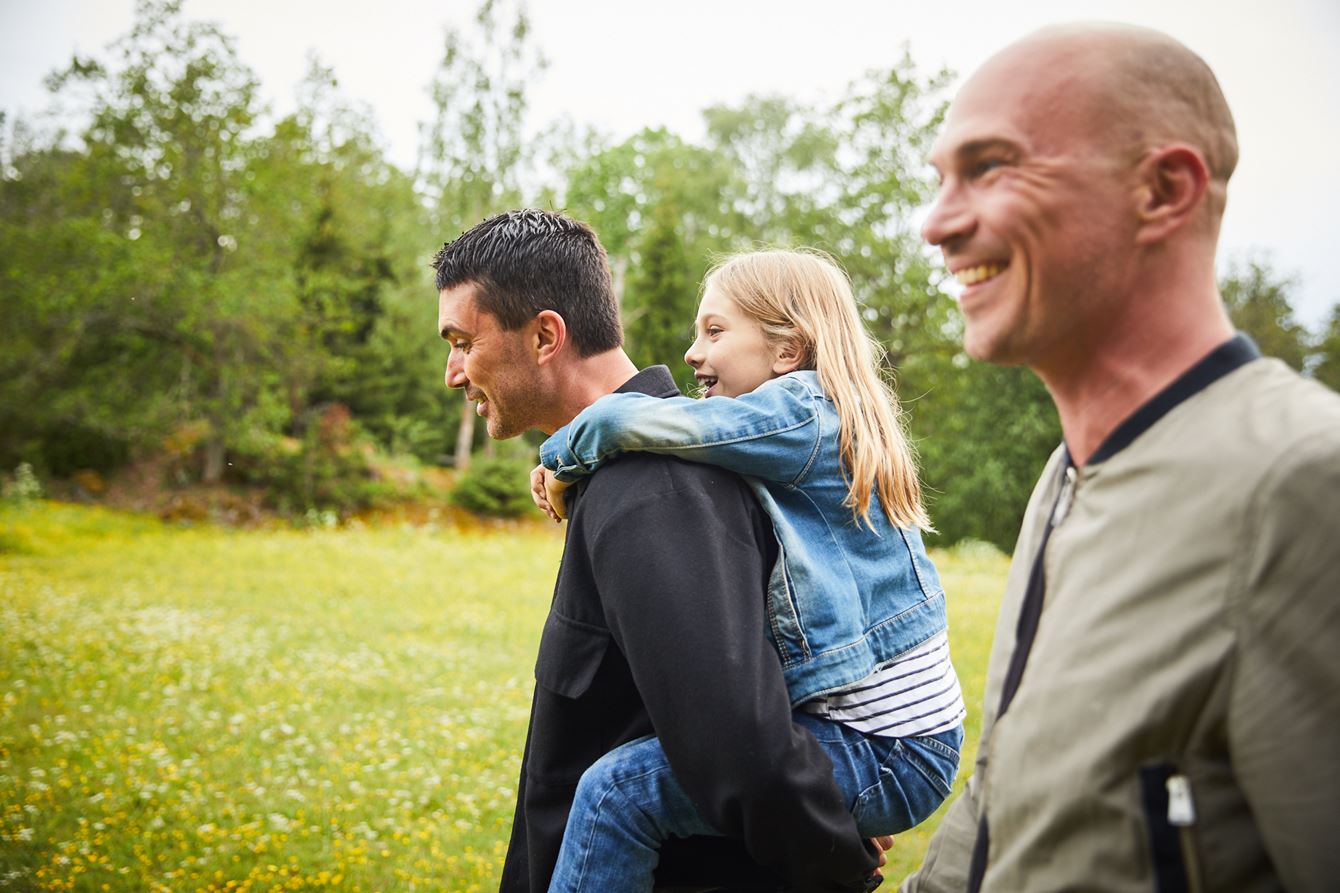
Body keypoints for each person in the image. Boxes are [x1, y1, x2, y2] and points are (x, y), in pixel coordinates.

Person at [902, 23, 1340, 892]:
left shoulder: (1303, 483)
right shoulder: (1068, 476)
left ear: (1163, 190)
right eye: (941, 178)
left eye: (991, 167)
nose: (937, 224)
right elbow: (1003, 798)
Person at [431, 210, 884, 893]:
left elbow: (741, 746)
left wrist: (834, 851)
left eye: (463, 341)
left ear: (546, 335)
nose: (452, 372)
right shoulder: (615, 474)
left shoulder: (652, 490)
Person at [530, 249, 965, 893]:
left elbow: (644, 420)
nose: (691, 354)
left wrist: (561, 458)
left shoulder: (802, 412)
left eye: (715, 331)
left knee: (615, 792)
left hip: (889, 750)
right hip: (902, 742)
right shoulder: (817, 426)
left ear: (788, 350)